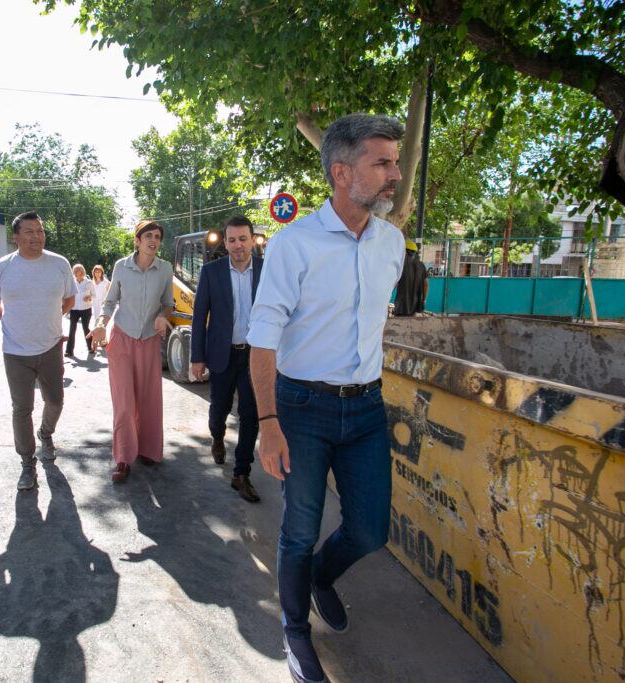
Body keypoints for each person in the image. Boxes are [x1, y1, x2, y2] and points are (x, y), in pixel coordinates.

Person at [247, 114, 405, 683]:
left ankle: (319, 576)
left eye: (395, 161)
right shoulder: (296, 244)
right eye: (381, 163)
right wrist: (268, 421)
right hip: (301, 409)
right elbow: (263, 335)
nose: (395, 173)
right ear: (342, 172)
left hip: (365, 408)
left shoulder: (393, 243)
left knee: (369, 530)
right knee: (298, 528)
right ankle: (294, 629)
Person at [0, 211, 76, 492]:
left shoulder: (59, 264)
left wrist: (49, 320)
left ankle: (45, 434)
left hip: (50, 347)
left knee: (55, 401)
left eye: (40, 231)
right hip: (15, 351)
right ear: (16, 237)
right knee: (21, 408)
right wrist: (9, 321)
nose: (37, 236)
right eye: (29, 231)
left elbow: (70, 298)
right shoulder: (1, 268)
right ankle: (27, 462)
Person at [89, 220, 174, 483]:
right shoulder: (121, 267)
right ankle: (124, 457)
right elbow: (110, 301)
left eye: (157, 237)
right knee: (124, 401)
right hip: (122, 340)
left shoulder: (165, 269)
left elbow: (168, 303)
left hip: (149, 340)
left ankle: (148, 449)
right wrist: (101, 324)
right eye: (148, 236)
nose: (153, 240)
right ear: (137, 240)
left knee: (150, 398)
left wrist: (162, 316)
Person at [190, 215, 264, 503]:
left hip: (256, 356)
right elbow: (199, 319)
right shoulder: (212, 272)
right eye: (231, 240)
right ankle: (218, 436)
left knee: (250, 414)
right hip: (221, 354)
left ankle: (241, 473)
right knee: (219, 408)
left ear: (252, 239)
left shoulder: (267, 270)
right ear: (226, 242)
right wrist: (197, 357)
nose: (237, 245)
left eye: (242, 239)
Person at [66, 263, 95, 359]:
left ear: (82, 271)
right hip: (74, 309)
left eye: (79, 270)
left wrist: (89, 297)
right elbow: (68, 295)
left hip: (86, 309)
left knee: (86, 328)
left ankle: (91, 347)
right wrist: (66, 308)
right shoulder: (71, 282)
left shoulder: (89, 282)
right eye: (75, 271)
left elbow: (94, 295)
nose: (78, 272)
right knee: (72, 329)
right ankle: (69, 351)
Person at [393, 240, 428, 316]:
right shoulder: (421, 266)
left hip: (401, 308)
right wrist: (424, 300)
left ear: (404, 252)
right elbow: (426, 285)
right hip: (417, 307)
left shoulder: (400, 266)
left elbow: (394, 284)